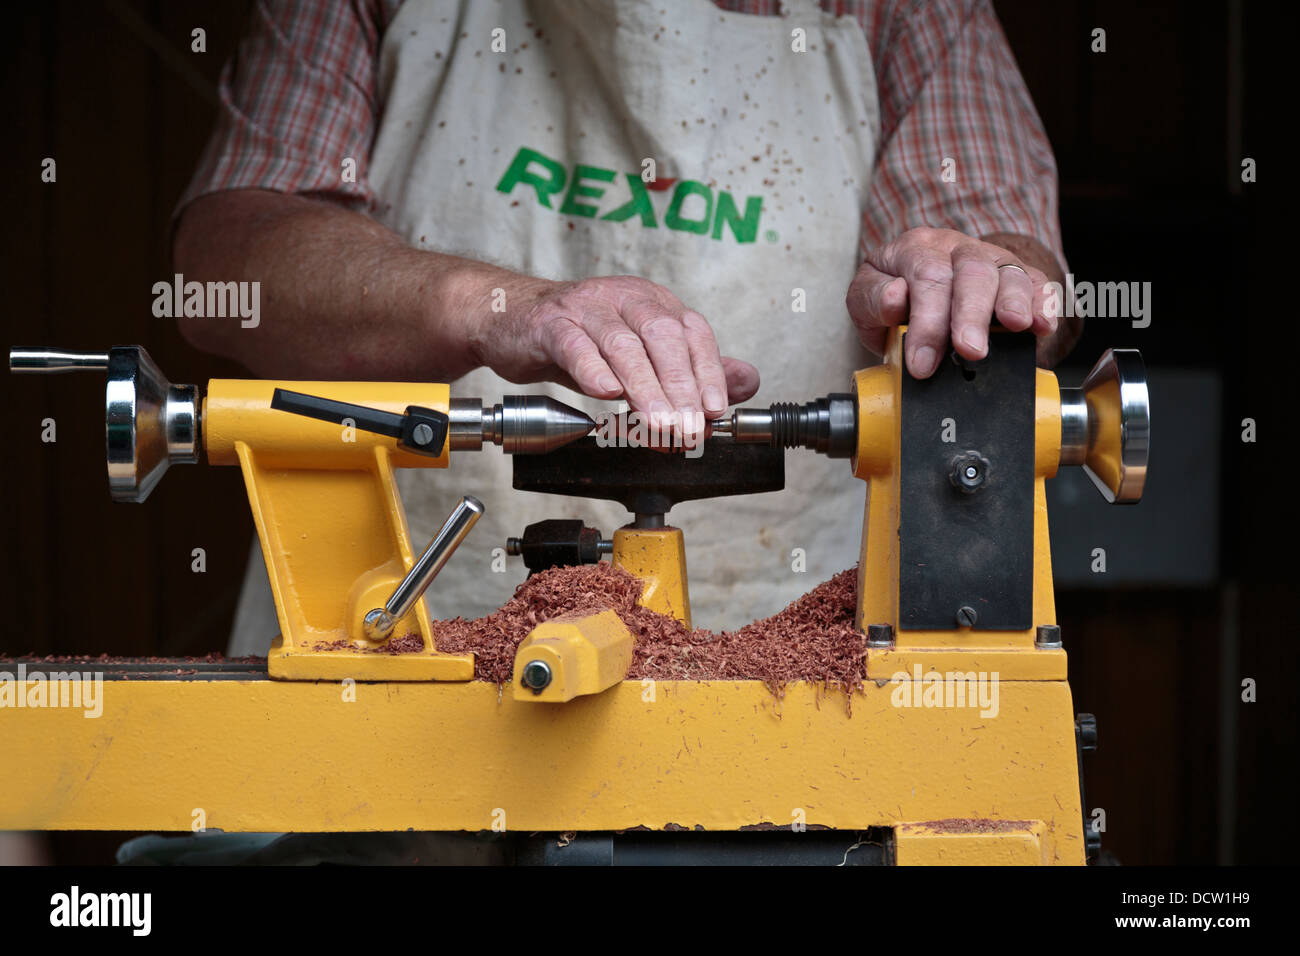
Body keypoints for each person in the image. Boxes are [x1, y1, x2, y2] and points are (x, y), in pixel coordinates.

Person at [175, 0, 1078, 648]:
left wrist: (980, 279)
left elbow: (1012, 262)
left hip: (799, 690)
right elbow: (224, 267)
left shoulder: (910, 12)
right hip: (387, 663)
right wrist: (493, 308)